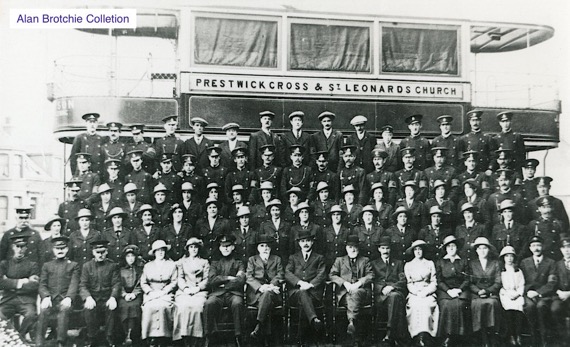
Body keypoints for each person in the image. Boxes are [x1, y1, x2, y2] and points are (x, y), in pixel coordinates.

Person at [36, 236, 81, 347]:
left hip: (65, 300)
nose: (60, 251)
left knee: (64, 311)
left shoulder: (73, 265)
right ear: (53, 250)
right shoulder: (47, 265)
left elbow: (74, 283)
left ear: (67, 249)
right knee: (43, 311)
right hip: (51, 299)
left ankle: (60, 342)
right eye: (57, 248)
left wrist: (69, 297)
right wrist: (46, 297)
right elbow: (42, 284)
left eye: (63, 248)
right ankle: (39, 343)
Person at [329, 235, 374, 343]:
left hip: (361, 291)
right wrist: (345, 283)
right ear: (346, 248)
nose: (353, 249)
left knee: (355, 294)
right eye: (350, 247)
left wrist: (358, 283)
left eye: (355, 247)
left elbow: (371, 275)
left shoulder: (365, 260)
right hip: (345, 292)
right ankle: (353, 328)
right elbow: (332, 275)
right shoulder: (340, 260)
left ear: (358, 248)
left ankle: (351, 322)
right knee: (350, 297)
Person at [285, 230, 326, 345]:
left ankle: (301, 339)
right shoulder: (293, 257)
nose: (305, 243)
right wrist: (299, 283)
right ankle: (313, 320)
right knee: (303, 294)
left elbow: (322, 274)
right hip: (296, 291)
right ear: (299, 243)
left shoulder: (319, 257)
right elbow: (287, 272)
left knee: (304, 299)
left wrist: (310, 284)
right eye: (303, 241)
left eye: (308, 240)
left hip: (313, 292)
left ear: (312, 242)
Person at [204, 235, 246, 347]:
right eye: (223, 246)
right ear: (219, 248)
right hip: (217, 294)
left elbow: (240, 280)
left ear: (233, 247)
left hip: (233, 294)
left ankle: (238, 336)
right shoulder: (215, 262)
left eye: (228, 246)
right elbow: (211, 279)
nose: (226, 248)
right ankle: (210, 336)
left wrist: (222, 284)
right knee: (209, 303)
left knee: (238, 304)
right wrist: (228, 278)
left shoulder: (239, 262)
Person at [80, 240, 121, 346]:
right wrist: (88, 297)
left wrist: (113, 297)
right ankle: (92, 337)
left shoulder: (112, 266)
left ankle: (109, 337)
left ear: (106, 252)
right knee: (88, 308)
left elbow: (116, 283)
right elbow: (83, 285)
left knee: (112, 308)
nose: (100, 255)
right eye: (98, 252)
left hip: (107, 298)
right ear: (93, 253)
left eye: (103, 252)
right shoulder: (87, 266)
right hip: (93, 298)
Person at [246, 235, 285, 345]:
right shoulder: (252, 260)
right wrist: (260, 287)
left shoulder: (277, 259)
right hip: (257, 293)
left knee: (267, 294)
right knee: (266, 297)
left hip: (273, 292)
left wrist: (270, 286)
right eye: (262, 245)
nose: (265, 248)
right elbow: (249, 276)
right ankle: (266, 336)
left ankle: (259, 325)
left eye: (267, 246)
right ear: (258, 248)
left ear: (271, 247)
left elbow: (280, 274)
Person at [0, 235, 39, 342]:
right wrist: (21, 282)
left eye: (23, 247)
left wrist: (9, 282)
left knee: (31, 315)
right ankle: (10, 336)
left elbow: (34, 286)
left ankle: (19, 337)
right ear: (13, 247)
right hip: (8, 300)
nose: (20, 250)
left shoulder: (32, 265)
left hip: (26, 301)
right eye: (17, 246)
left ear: (26, 248)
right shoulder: (5, 264)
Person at [520, 235, 556, 346]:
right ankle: (533, 340)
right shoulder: (524, 262)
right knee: (529, 307)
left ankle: (544, 340)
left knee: (541, 307)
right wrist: (528, 292)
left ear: (543, 246)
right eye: (534, 245)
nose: (536, 248)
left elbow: (552, 283)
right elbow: (521, 281)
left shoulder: (551, 262)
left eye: (539, 245)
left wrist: (539, 293)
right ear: (530, 248)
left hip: (544, 295)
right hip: (529, 294)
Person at [371, 236, 407, 346]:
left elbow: (403, 280)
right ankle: (396, 335)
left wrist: (392, 287)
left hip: (395, 291)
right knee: (394, 298)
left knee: (395, 296)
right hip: (381, 295)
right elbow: (372, 280)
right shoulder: (374, 263)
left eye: (387, 248)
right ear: (379, 249)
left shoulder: (398, 263)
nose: (385, 251)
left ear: (390, 249)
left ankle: (390, 332)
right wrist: (382, 288)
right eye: (383, 248)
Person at [141, 240, 178, 345]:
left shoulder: (171, 264)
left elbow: (174, 281)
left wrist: (165, 291)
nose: (160, 252)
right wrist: (150, 292)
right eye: (158, 251)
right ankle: (150, 337)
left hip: (165, 293)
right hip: (151, 293)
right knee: (149, 307)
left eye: (162, 250)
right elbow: (143, 282)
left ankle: (163, 337)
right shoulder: (148, 266)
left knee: (163, 306)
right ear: (154, 252)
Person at [173, 238, 210, 345]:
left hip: (199, 291)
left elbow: (207, 279)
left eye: (196, 247)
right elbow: (180, 277)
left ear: (199, 249)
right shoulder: (182, 262)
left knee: (197, 307)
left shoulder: (204, 262)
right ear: (188, 249)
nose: (193, 249)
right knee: (182, 306)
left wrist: (198, 288)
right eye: (191, 247)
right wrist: (185, 288)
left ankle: (197, 337)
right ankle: (184, 337)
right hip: (184, 291)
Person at [404, 240, 439, 347]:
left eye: (420, 249)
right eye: (416, 250)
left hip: (427, 291)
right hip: (414, 292)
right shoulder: (408, 265)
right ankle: (416, 336)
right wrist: (416, 292)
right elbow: (409, 283)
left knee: (427, 305)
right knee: (415, 305)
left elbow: (434, 281)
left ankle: (427, 335)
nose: (418, 252)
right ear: (413, 251)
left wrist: (426, 292)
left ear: (423, 251)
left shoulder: (429, 263)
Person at [436, 235, 469, 347]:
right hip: (445, 290)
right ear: (445, 248)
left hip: (461, 289)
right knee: (446, 304)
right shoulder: (441, 262)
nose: (451, 248)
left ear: (457, 248)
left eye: (453, 246)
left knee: (460, 304)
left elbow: (467, 279)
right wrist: (448, 290)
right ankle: (447, 335)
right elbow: (439, 280)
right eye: (448, 246)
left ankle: (459, 336)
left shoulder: (463, 261)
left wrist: (459, 289)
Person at [469, 237, 501, 347]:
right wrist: (478, 291)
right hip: (477, 294)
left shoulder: (495, 263)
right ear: (476, 250)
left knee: (492, 303)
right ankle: (482, 336)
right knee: (477, 304)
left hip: (490, 293)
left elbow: (498, 282)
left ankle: (491, 334)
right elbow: (470, 282)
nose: (482, 251)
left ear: (489, 250)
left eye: (485, 248)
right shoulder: (472, 264)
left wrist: (487, 291)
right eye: (480, 248)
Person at [499, 246, 525, 346]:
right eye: (507, 256)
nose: (509, 258)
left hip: (516, 293)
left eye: (511, 256)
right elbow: (500, 285)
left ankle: (518, 335)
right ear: (503, 258)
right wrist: (509, 294)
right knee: (509, 311)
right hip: (505, 293)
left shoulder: (518, 270)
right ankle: (511, 335)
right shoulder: (501, 270)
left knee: (519, 309)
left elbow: (521, 284)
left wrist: (518, 293)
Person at [118, 245, 144, 346]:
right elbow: (118, 284)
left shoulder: (139, 269)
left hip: (136, 294)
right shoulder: (119, 269)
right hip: (123, 295)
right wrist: (124, 294)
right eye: (128, 256)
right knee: (123, 306)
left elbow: (141, 283)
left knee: (136, 306)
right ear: (125, 258)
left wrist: (134, 293)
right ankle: (124, 334)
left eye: (132, 256)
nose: (130, 258)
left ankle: (135, 335)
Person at [528, 196, 564, 260]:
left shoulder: (558, 224)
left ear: (552, 208)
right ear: (539, 209)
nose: (546, 210)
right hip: (540, 256)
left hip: (555, 257)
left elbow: (562, 243)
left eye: (548, 207)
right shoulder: (533, 224)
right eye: (544, 207)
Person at [258, 199, 292, 265]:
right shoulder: (264, 225)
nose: (275, 212)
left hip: (284, 257)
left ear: (280, 211)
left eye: (277, 210)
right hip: (270, 257)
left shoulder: (287, 225)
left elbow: (290, 243)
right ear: (270, 211)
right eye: (273, 210)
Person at [552, 234, 570, 342]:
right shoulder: (557, 264)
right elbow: (553, 282)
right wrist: (559, 292)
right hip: (561, 296)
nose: (567, 250)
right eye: (564, 248)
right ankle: (563, 339)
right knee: (555, 308)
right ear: (561, 250)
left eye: (569, 247)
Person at [322, 205, 351, 271]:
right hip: (329, 263)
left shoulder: (347, 231)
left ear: (341, 216)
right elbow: (322, 249)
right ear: (331, 217)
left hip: (343, 264)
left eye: (338, 214)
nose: (336, 217)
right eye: (334, 215)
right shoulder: (325, 231)